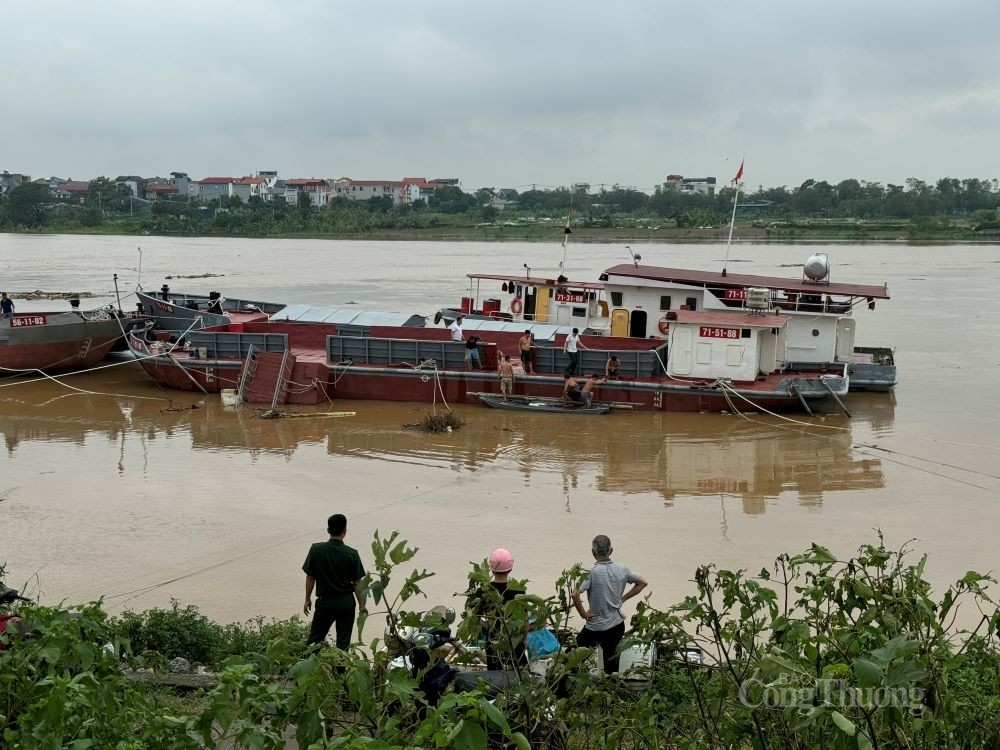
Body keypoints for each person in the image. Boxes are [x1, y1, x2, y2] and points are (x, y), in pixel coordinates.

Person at [572, 534, 647, 674]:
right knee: (611, 663)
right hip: (616, 625)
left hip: (595, 627)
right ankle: (610, 690)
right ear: (611, 551)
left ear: (593, 553)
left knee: (576, 657)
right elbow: (643, 583)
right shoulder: (622, 569)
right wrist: (623, 599)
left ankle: (571, 687)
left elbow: (575, 594)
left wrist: (583, 614)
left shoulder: (590, 572)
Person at [302, 513, 367, 650]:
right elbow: (357, 583)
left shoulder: (316, 550)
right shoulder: (352, 554)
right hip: (346, 603)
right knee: (342, 645)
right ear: (345, 532)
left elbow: (310, 577)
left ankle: (308, 667)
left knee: (314, 642)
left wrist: (307, 599)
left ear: (328, 530)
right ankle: (340, 671)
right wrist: (362, 605)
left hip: (325, 603)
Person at [466, 548, 528, 671]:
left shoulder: (484, 590)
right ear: (510, 568)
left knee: (495, 679)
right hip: (514, 642)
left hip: (493, 643)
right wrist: (524, 641)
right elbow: (525, 624)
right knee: (519, 677)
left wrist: (489, 626)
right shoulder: (519, 590)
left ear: (491, 568)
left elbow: (472, 616)